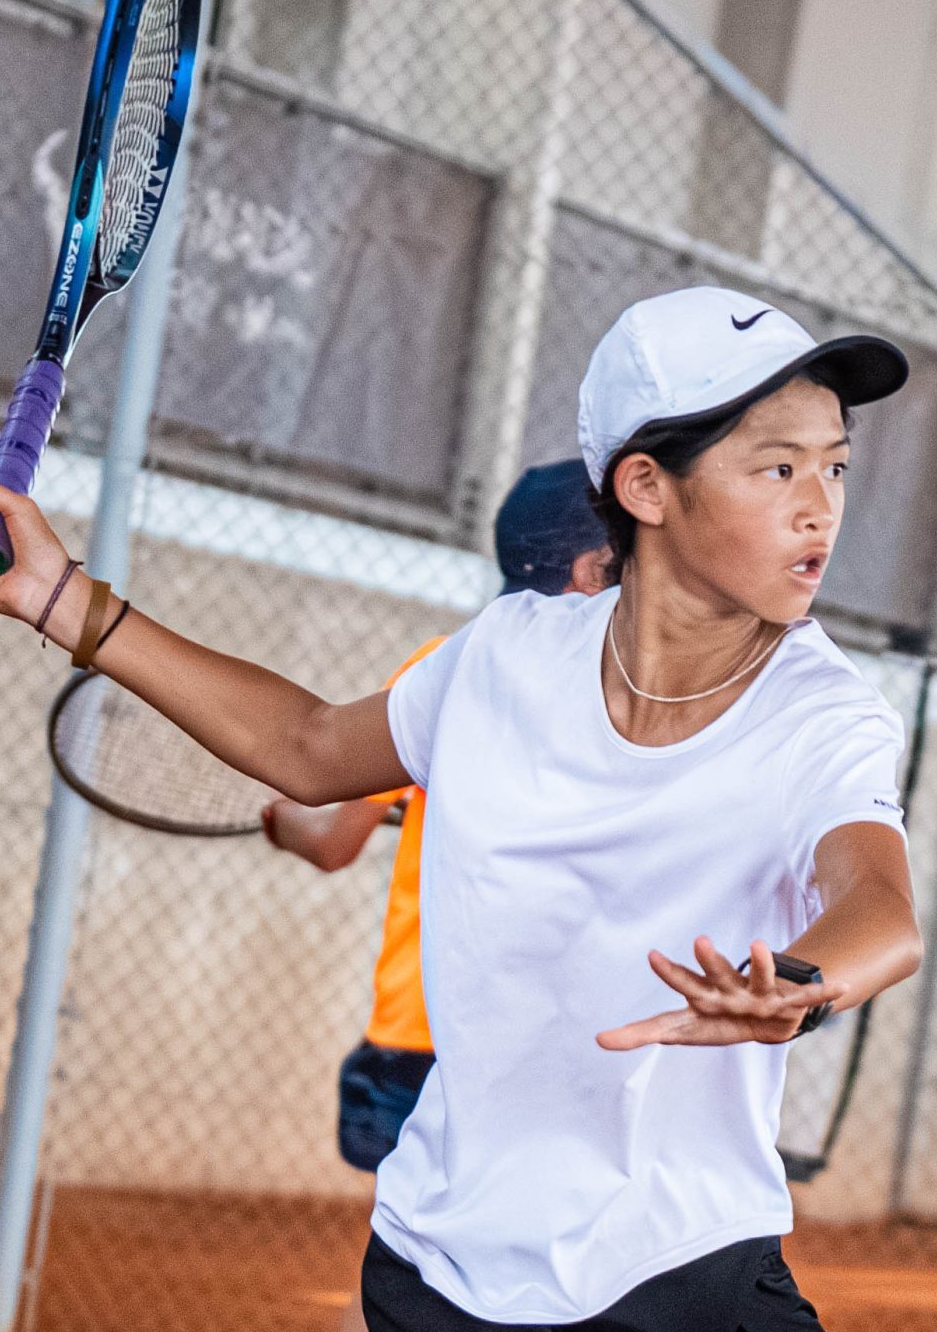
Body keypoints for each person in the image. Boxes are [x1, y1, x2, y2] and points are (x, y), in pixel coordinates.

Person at [0, 285, 924, 1330]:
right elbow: (307, 747)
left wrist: (804, 985)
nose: (819, 504)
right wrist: (57, 596)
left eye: (834, 466)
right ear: (645, 485)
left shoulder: (821, 714)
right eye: (777, 467)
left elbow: (876, 902)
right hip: (437, 1269)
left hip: (679, 1270)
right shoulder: (503, 657)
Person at [256, 460, 612, 1332]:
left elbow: (333, 839)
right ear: (590, 570)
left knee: (414, 1269)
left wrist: (285, 824)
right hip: (522, 1037)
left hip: (412, 1028)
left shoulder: (445, 666)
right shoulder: (615, 685)